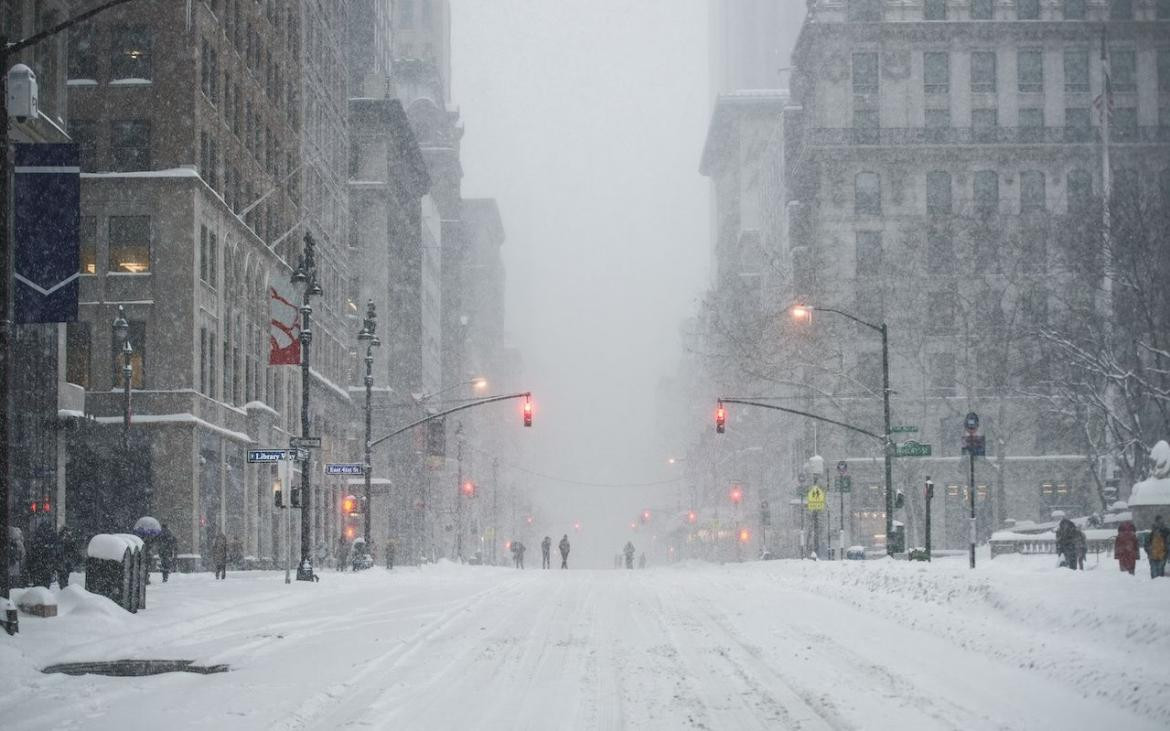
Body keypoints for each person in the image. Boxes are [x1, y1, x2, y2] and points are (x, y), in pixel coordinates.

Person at [27, 522, 58, 588]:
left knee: (38, 584)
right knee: (45, 583)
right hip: (46, 565)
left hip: (38, 566)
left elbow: (32, 554)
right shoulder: (51, 537)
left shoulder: (37, 537)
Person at [1145, 514, 1169, 579]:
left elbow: (1146, 544)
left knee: (1159, 574)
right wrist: (1149, 551)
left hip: (1161, 555)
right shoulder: (1152, 533)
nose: (1160, 523)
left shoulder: (1166, 531)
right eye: (1159, 521)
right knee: (1157, 575)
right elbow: (1146, 544)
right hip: (1156, 556)